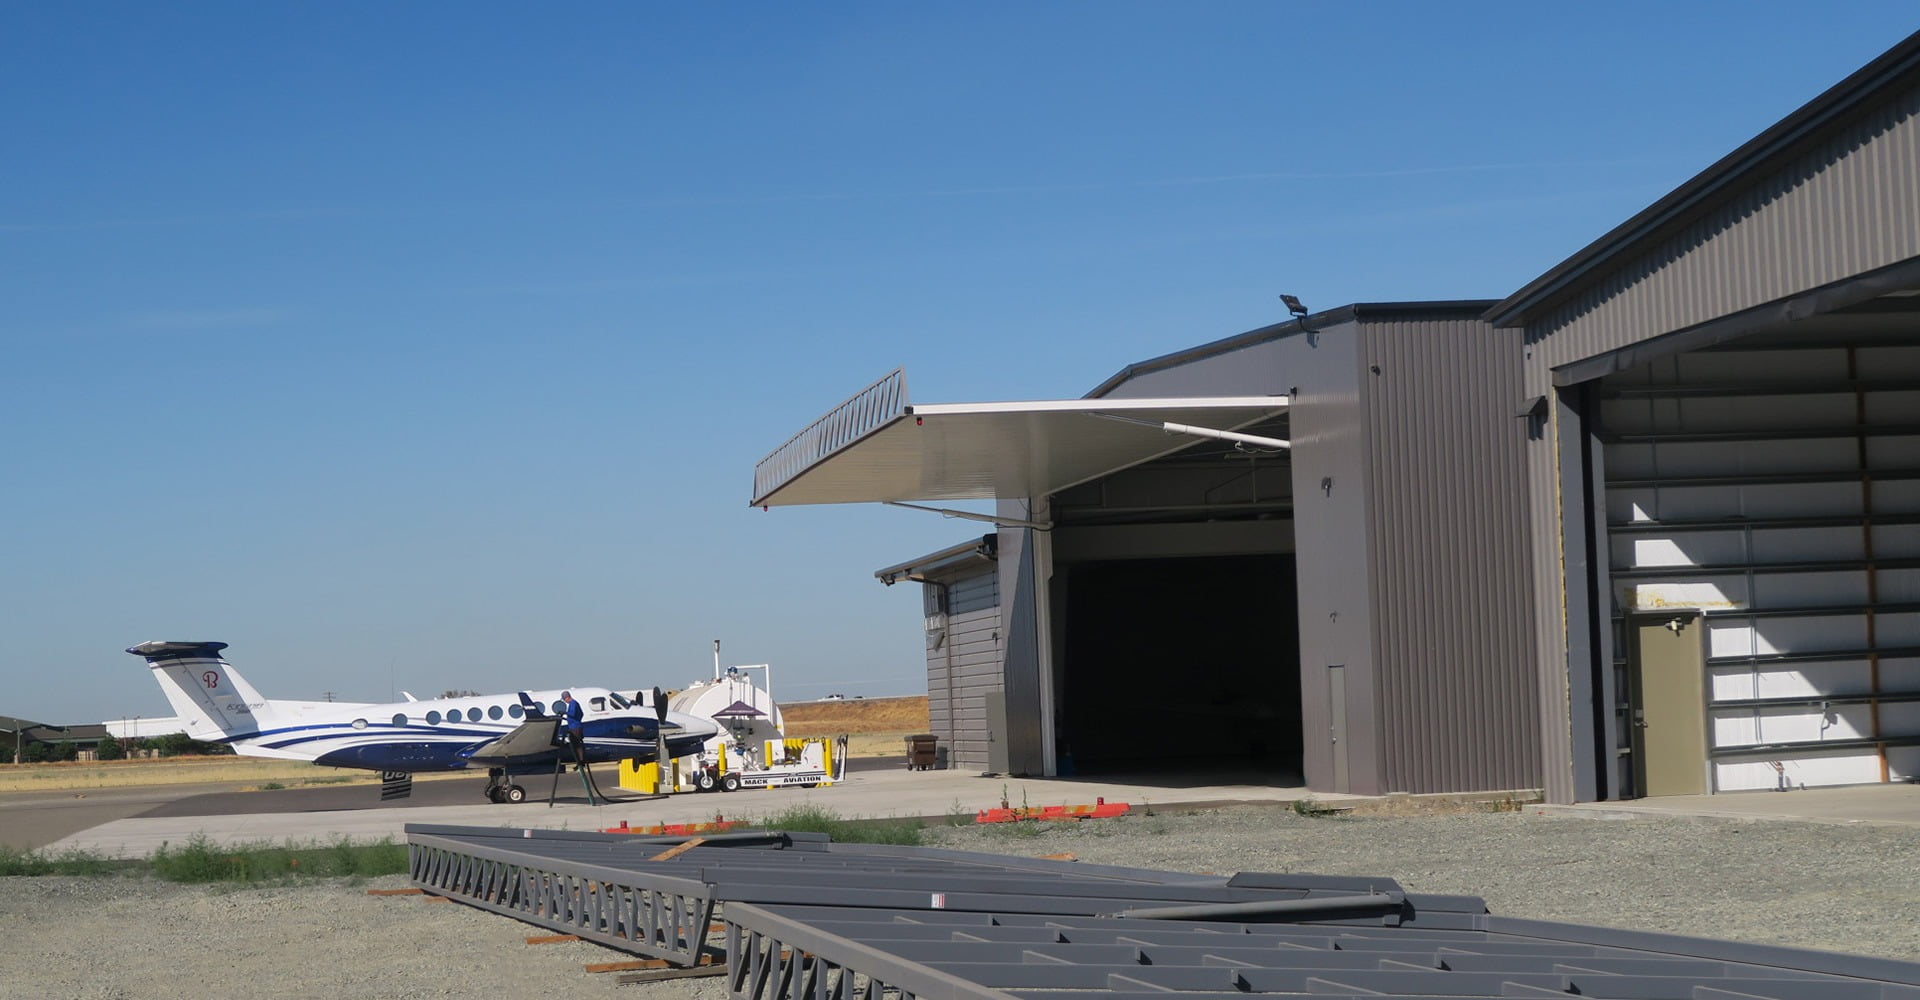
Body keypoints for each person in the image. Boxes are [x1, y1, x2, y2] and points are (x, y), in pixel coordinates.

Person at [560, 690, 585, 762]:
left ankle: (580, 761)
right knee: (575, 744)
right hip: (574, 726)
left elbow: (573, 713)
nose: (565, 701)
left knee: (576, 745)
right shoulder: (574, 703)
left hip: (575, 728)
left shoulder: (573, 703)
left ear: (567, 698)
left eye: (564, 700)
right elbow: (581, 714)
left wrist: (565, 712)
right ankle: (579, 761)